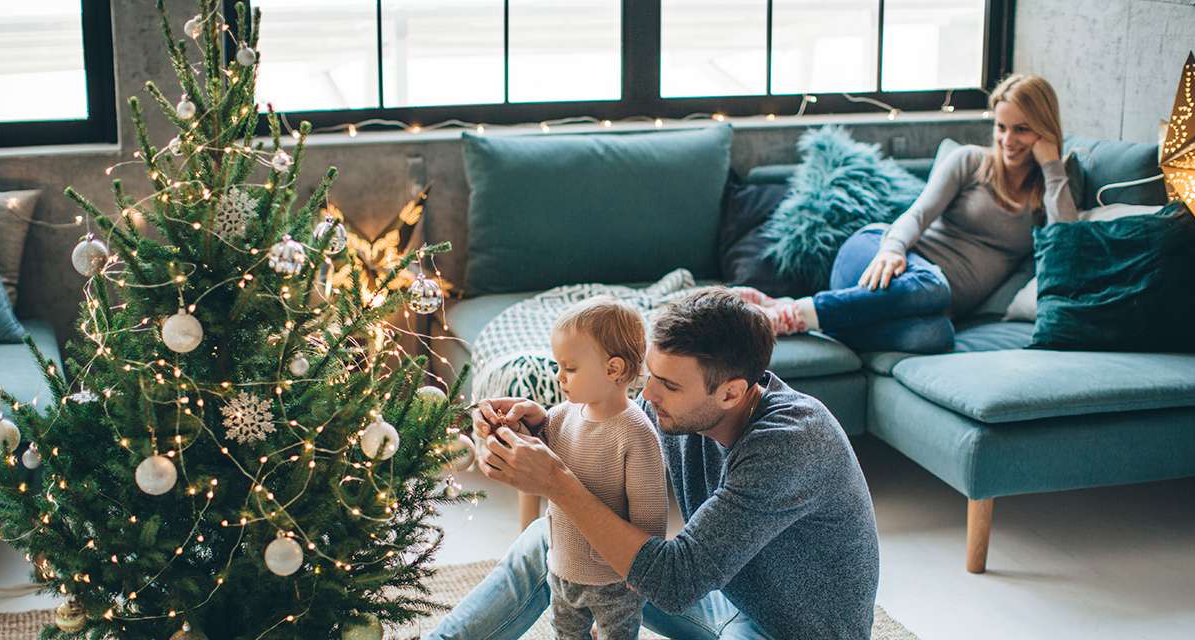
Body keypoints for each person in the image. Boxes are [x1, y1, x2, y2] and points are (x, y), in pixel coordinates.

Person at [426, 288, 879, 640]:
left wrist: (556, 482)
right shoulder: (675, 409)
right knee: (550, 539)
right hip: (724, 598)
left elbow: (674, 582)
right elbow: (610, 435)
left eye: (669, 386)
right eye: (651, 375)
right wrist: (542, 426)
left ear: (731, 393)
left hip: (791, 631)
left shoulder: (790, 443)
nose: (648, 395)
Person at [742, 73, 1078, 353]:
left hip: (922, 304)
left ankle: (791, 307)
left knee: (936, 336)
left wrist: (1051, 165)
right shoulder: (970, 161)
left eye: (1021, 129)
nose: (1007, 140)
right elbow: (918, 214)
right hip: (878, 257)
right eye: (1001, 127)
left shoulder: (1053, 188)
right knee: (934, 284)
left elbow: (1066, 246)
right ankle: (789, 316)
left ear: (1044, 130)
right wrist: (893, 249)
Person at [521, 296, 668, 639]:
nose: (559, 377)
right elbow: (532, 462)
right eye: (558, 366)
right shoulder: (560, 417)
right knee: (566, 632)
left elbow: (650, 516)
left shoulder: (636, 432)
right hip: (562, 568)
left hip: (614, 582)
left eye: (570, 368)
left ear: (613, 370)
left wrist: (642, 571)